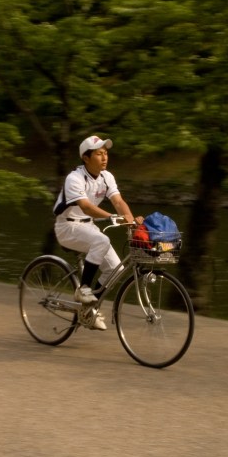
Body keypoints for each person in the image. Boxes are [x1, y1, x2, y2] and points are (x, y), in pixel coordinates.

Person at [53, 135, 143, 330]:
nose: (104, 158)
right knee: (102, 240)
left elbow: (118, 202)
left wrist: (130, 219)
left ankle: (87, 310)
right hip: (67, 227)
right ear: (86, 158)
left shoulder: (106, 177)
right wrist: (111, 217)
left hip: (87, 226)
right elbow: (85, 207)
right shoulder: (74, 178)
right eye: (99, 154)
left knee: (116, 270)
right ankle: (83, 290)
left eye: (106, 153)